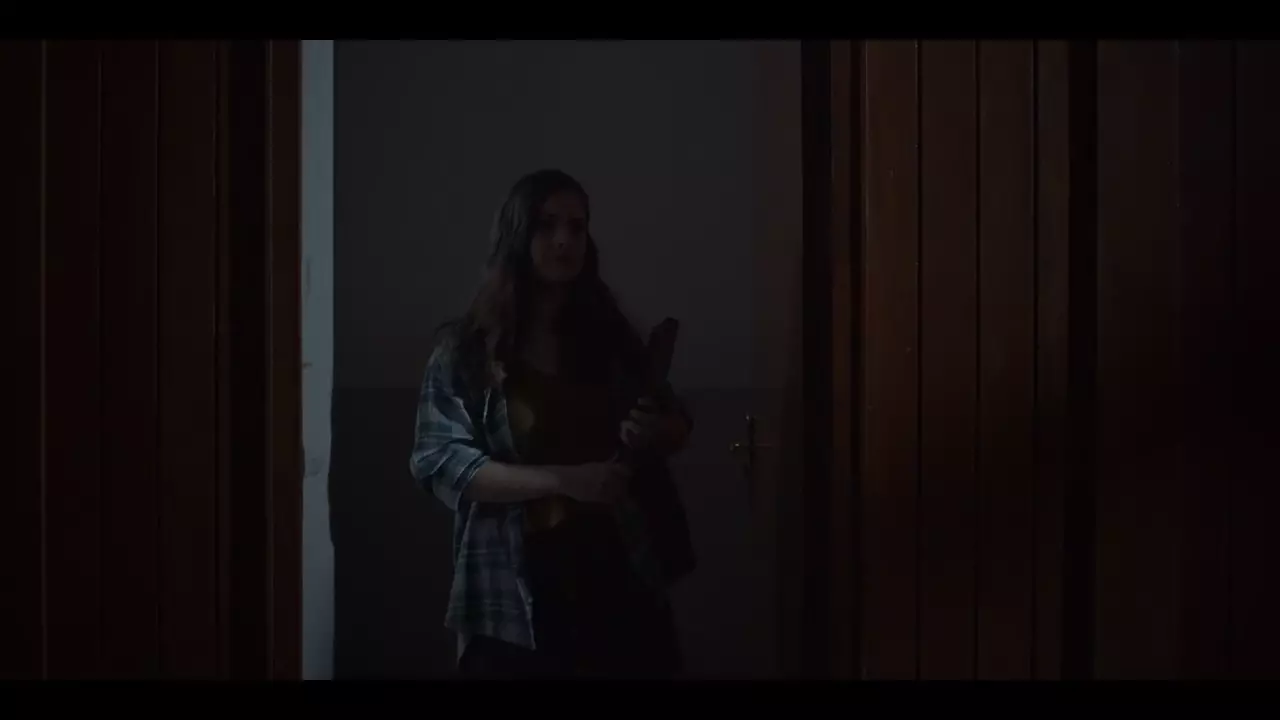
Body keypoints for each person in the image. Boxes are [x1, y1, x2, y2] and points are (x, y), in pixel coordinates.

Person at [409, 169, 695, 678]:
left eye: (576, 227)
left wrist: (655, 431)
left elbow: (677, 425)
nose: (564, 239)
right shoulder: (468, 350)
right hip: (515, 578)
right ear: (518, 235)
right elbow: (442, 462)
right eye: (546, 225)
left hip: (618, 567)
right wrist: (564, 480)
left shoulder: (608, 338)